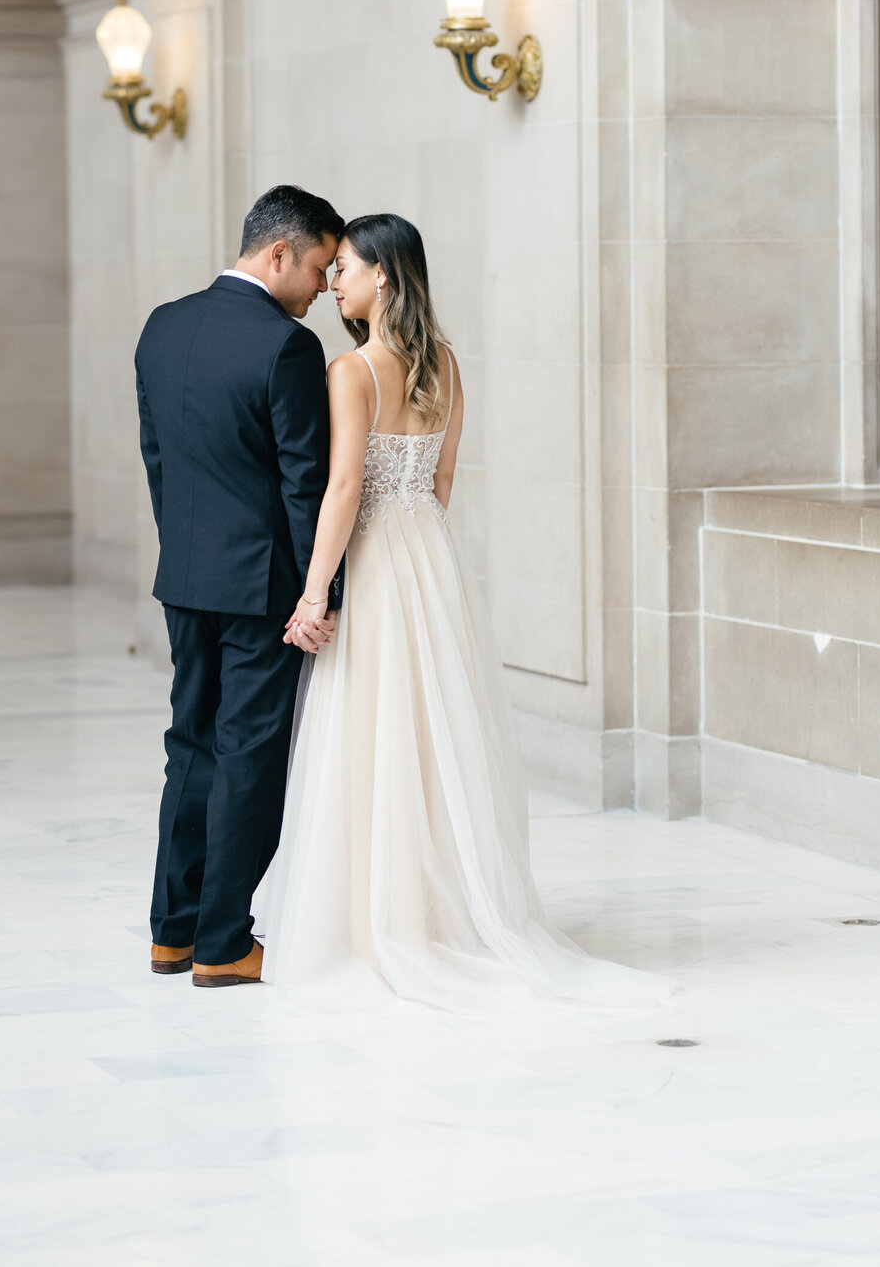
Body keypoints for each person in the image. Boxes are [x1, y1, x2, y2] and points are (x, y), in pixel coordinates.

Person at [262, 213, 671, 1010]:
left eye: (344, 265)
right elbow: (443, 478)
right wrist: (416, 536)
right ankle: (441, 910)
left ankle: (379, 921)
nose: (333, 279)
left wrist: (316, 592)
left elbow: (344, 489)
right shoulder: (443, 362)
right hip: (431, 555)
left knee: (374, 732)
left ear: (383, 274)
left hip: (379, 556)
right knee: (432, 730)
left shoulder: (352, 371)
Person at [135, 185, 345, 988]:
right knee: (248, 755)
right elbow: (304, 483)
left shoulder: (164, 325)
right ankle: (225, 940)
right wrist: (315, 594)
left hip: (186, 576)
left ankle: (171, 931)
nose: (325, 289)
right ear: (279, 253)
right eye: (322, 267)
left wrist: (187, 549)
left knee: (189, 746)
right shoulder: (284, 347)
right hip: (263, 588)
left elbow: (158, 460)